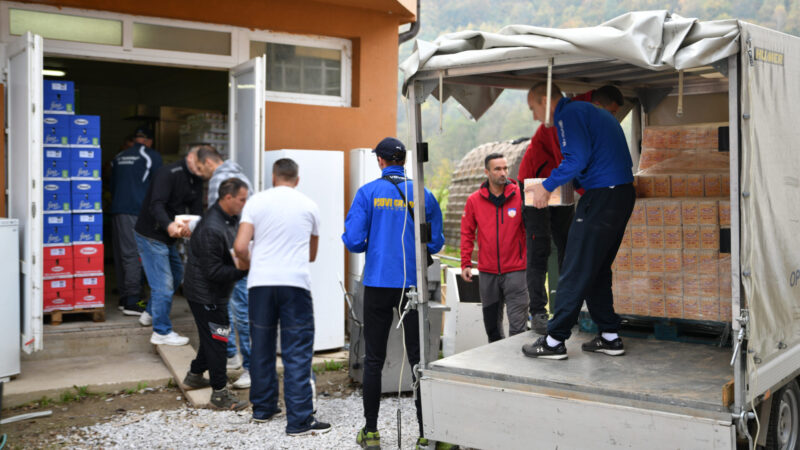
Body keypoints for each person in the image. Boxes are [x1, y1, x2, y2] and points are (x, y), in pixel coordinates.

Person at [341, 137, 445, 450]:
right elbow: (436, 243)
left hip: (376, 284)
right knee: (419, 360)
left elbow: (353, 241)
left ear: (381, 161)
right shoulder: (423, 193)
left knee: (373, 358)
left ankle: (371, 433)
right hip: (413, 286)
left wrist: (375, 238)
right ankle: (427, 432)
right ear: (402, 160)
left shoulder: (368, 193)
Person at [521, 81, 635, 360]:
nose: (535, 116)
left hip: (602, 196)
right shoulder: (586, 111)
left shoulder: (567, 115)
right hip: (620, 194)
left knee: (574, 265)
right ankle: (609, 335)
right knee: (596, 268)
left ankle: (553, 341)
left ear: (545, 99)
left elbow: (576, 159)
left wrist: (546, 187)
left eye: (534, 107)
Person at [234, 158, 330, 435]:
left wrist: (254, 263)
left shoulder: (255, 202)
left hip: (260, 286)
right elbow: (312, 254)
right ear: (296, 179)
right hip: (294, 284)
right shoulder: (309, 205)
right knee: (296, 351)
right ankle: (299, 420)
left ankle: (263, 408)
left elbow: (240, 246)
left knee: (261, 346)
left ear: (274, 177)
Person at [134, 145, 216, 345]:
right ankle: (161, 332)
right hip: (152, 234)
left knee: (177, 275)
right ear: (190, 158)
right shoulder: (168, 173)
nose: (201, 172)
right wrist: (168, 224)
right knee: (163, 284)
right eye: (198, 167)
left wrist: (196, 228)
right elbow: (156, 204)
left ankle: (150, 313)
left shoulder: (196, 178)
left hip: (169, 238)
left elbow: (196, 207)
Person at [181, 177, 249, 410]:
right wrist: (244, 270)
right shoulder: (212, 226)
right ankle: (219, 394)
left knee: (212, 337)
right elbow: (213, 272)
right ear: (227, 197)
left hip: (212, 294)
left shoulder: (228, 217)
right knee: (219, 340)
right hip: (206, 296)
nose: (244, 203)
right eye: (242, 199)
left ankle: (194, 375)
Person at [195, 148, 254, 389]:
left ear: (209, 162)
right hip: (237, 252)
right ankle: (230, 355)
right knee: (230, 309)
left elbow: (217, 223)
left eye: (201, 169)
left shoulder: (221, 180)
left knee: (239, 310)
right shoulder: (241, 176)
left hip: (232, 255)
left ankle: (250, 366)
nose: (202, 174)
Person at [460, 153, 529, 342]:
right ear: (487, 172)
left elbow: (533, 230)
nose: (503, 173)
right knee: (492, 329)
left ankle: (517, 367)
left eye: (505, 168)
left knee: (518, 328)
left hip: (516, 272)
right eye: (497, 169)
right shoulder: (474, 200)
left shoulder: (520, 197)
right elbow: (467, 233)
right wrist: (466, 263)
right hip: (487, 273)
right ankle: (497, 367)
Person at [109, 127, 162, 316]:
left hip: (117, 210)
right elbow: (158, 187)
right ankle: (133, 301)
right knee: (135, 255)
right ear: (149, 141)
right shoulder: (151, 156)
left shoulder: (119, 157)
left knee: (123, 254)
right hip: (137, 211)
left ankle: (125, 299)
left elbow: (112, 185)